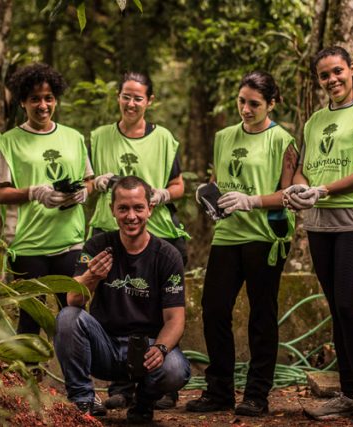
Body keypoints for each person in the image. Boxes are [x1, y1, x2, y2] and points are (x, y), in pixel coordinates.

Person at [285, 46, 353, 421]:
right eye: (324, 75)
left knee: (348, 304)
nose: (332, 80)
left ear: (352, 69)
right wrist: (300, 188)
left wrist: (325, 189)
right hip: (319, 223)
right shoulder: (314, 121)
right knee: (336, 308)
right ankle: (347, 394)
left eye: (337, 71)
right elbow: (303, 167)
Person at [186, 71, 298, 417]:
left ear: (271, 104)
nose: (246, 109)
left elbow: (290, 194)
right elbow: (217, 181)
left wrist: (252, 201)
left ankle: (257, 394)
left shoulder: (283, 140)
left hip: (265, 236)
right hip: (228, 235)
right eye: (241, 101)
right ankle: (219, 391)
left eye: (254, 104)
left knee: (261, 315)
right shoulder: (223, 137)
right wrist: (206, 194)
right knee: (214, 308)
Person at [54, 176, 191, 424]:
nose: (131, 216)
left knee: (175, 369)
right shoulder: (96, 246)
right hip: (104, 347)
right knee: (67, 317)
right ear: (112, 210)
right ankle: (82, 400)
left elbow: (175, 320)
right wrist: (92, 276)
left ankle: (143, 403)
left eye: (138, 208)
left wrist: (160, 349)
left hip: (146, 349)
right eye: (123, 208)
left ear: (150, 208)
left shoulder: (168, 256)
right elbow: (73, 299)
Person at [89, 71, 189, 409]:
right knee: (115, 305)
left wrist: (163, 194)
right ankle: (120, 386)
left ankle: (161, 385)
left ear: (150, 101)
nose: (131, 103)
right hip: (108, 232)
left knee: (158, 306)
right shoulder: (99, 137)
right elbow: (84, 182)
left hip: (157, 234)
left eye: (138, 97)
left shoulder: (163, 138)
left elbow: (179, 185)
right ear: (117, 97)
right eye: (126, 96)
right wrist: (95, 182)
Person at [0, 63, 91, 335]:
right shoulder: (8, 142)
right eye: (35, 99)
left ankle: (73, 365)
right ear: (23, 102)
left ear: (56, 100)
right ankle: (30, 363)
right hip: (27, 244)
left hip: (69, 241)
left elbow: (89, 179)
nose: (43, 105)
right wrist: (33, 192)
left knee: (74, 315)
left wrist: (83, 192)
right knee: (30, 318)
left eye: (48, 98)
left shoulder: (73, 138)